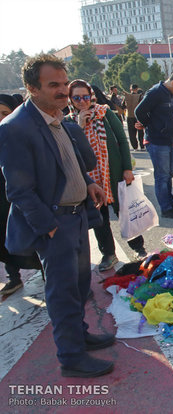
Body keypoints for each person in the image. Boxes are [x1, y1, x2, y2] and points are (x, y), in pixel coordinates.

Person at [0, 54, 113, 377]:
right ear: (32, 88)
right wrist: (48, 227)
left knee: (79, 286)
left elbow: (70, 162)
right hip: (55, 224)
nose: (64, 91)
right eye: (54, 85)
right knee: (62, 292)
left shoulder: (57, 118)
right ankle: (72, 357)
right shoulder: (15, 128)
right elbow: (19, 191)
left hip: (76, 217)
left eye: (65, 83)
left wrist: (89, 183)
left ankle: (80, 336)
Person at [66, 79, 148, 268]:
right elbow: (69, 149)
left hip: (114, 174)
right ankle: (109, 254)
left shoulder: (105, 113)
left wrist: (127, 168)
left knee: (126, 212)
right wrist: (79, 125)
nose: (82, 101)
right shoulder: (69, 122)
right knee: (99, 218)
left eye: (85, 97)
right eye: (76, 98)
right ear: (70, 99)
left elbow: (121, 140)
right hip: (89, 179)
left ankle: (139, 248)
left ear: (91, 96)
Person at [0, 95, 42, 296]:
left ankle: (46, 273)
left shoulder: (20, 134)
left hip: (20, 200)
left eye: (4, 114)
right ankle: (13, 277)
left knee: (33, 240)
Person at [135, 72, 173, 219]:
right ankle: (166, 208)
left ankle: (170, 202)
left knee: (169, 173)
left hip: (169, 141)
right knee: (162, 176)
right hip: (157, 141)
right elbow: (139, 111)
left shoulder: (170, 94)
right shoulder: (156, 92)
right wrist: (148, 125)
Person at [123, 84, 145, 150]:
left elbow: (123, 106)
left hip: (129, 116)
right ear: (137, 88)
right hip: (138, 116)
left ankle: (135, 146)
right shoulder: (140, 96)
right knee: (140, 131)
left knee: (131, 132)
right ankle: (142, 146)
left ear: (131, 89)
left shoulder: (127, 96)